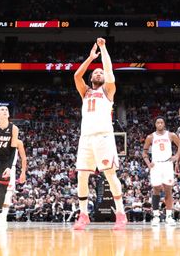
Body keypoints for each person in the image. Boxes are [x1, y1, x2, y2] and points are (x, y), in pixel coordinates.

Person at [71, 38, 126, 230]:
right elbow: (77, 76)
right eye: (95, 72)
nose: (98, 73)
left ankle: (120, 213)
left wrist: (103, 49)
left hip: (103, 137)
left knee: (110, 176)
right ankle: (83, 214)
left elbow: (109, 71)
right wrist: (89, 58)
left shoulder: (108, 91)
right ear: (92, 77)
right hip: (86, 138)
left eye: (100, 72)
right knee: (82, 177)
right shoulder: (85, 91)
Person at [142, 116, 180, 226]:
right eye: (158, 122)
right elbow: (144, 153)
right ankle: (156, 216)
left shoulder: (171, 135)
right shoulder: (150, 137)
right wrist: (148, 163)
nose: (160, 124)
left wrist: (177, 156)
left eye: (161, 122)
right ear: (155, 124)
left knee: (168, 190)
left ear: (164, 124)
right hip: (156, 165)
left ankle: (169, 216)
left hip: (167, 164)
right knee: (156, 190)